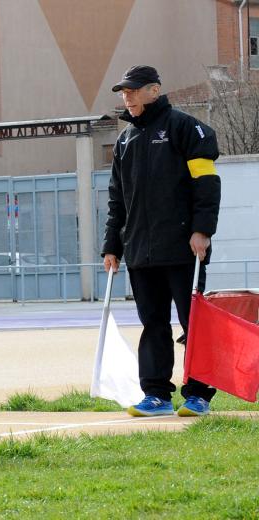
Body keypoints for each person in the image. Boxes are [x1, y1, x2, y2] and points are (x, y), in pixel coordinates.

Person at [102, 65, 221, 417]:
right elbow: (117, 200)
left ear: (154, 91)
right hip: (140, 250)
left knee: (193, 323)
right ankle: (156, 395)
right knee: (152, 323)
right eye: (124, 92)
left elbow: (207, 185)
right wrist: (112, 246)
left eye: (134, 90)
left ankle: (199, 394)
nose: (128, 97)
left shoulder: (187, 129)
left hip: (184, 248)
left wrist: (202, 230)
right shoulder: (125, 141)